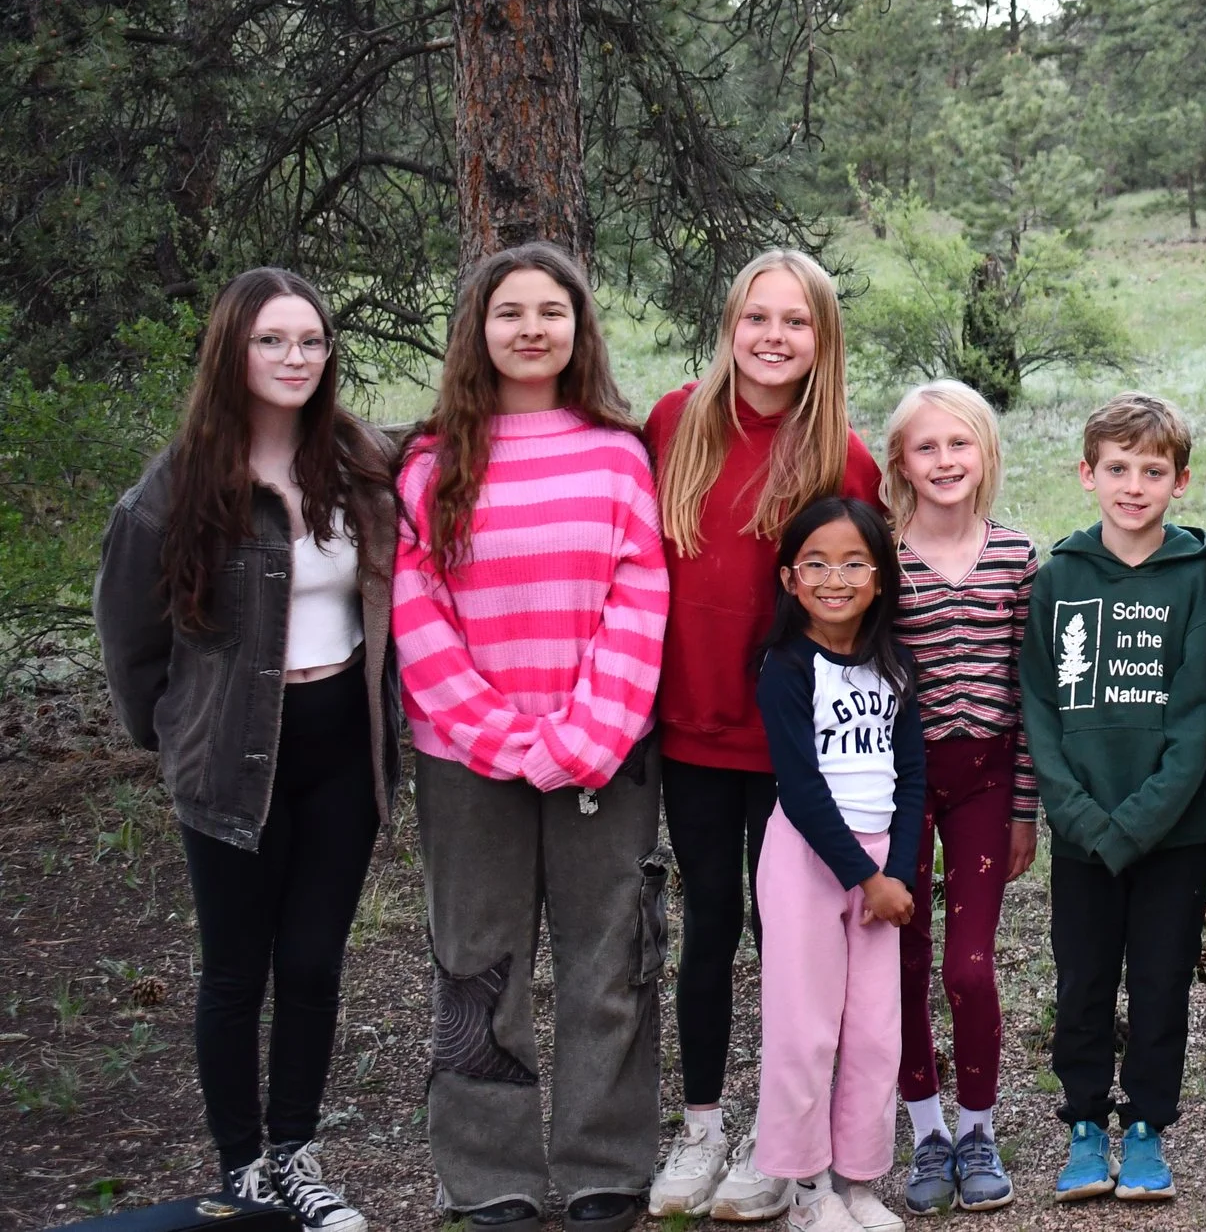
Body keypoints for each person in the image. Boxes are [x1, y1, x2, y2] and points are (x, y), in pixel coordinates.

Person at [96, 269, 398, 1232]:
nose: (294, 357)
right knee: (236, 970)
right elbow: (129, 642)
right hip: (230, 758)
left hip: (342, 748)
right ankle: (243, 1172)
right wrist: (175, 737)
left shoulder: (356, 461)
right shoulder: (175, 487)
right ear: (233, 349)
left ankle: (296, 1157)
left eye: (311, 340)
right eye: (272, 339)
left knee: (312, 962)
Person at [393, 242, 670, 1232]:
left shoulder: (618, 453)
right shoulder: (431, 462)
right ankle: (488, 1173)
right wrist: (502, 739)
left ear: (578, 328)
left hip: (606, 753)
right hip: (467, 761)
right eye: (509, 312)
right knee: (477, 962)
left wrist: (586, 733)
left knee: (612, 959)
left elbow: (640, 595)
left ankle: (605, 1164)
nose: (530, 329)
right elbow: (416, 612)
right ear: (478, 328)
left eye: (551, 311)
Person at [644, 250, 883, 1222]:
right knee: (709, 923)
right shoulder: (674, 423)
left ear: (822, 339)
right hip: (693, 724)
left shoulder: (843, 455)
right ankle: (703, 1124)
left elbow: (864, 603)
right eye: (757, 316)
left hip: (798, 743)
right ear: (730, 325)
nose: (773, 336)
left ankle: (784, 1142)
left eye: (795, 321)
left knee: (795, 942)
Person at [1018, 392, 1206, 1207]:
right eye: (1117, 468)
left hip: (1172, 834)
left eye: (1152, 470)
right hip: (1082, 834)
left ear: (1180, 481)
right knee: (1084, 981)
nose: (1133, 485)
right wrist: (1078, 814)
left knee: (1162, 980)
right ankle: (1083, 1123)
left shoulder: (1196, 574)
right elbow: (1040, 705)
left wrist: (1138, 820)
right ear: (1087, 473)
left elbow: (1198, 710)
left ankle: (1145, 1127)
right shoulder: (1059, 576)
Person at [883, 381, 1039, 1216]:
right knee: (903, 960)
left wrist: (1024, 809)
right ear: (901, 462)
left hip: (987, 778)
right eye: (926, 446)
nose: (944, 460)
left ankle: (978, 1128)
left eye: (959, 444)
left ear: (985, 453)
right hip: (903, 782)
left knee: (968, 968)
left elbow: (1029, 693)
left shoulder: (1016, 556)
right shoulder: (879, 554)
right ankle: (927, 1129)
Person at [751, 496, 927, 1232]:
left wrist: (900, 873)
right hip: (808, 859)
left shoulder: (896, 665)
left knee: (876, 1031)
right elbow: (800, 789)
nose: (835, 579)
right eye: (816, 563)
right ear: (789, 578)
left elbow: (912, 777)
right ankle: (806, 1188)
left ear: (881, 577)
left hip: (881, 868)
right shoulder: (787, 667)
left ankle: (857, 1179)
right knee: (804, 1029)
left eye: (854, 563)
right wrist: (866, 877)